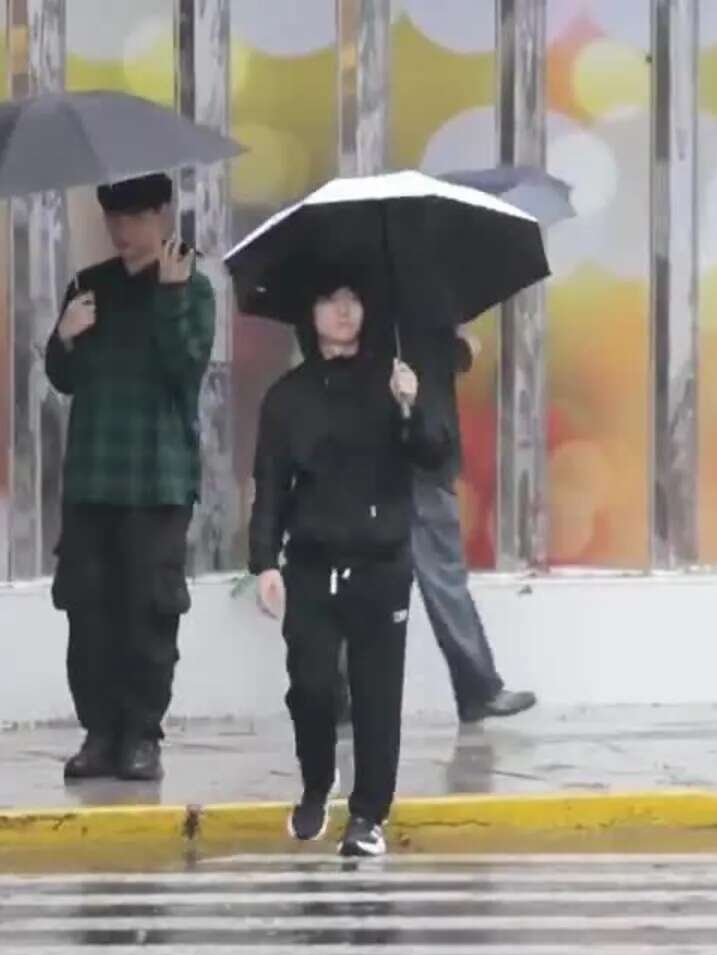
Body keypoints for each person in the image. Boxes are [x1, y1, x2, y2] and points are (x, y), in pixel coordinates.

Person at [248, 271, 454, 858]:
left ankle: (369, 815)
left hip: (381, 560)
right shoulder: (289, 396)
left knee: (376, 693)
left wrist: (411, 409)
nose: (343, 313)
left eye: (353, 300)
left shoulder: (393, 380)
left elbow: (435, 455)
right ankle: (317, 782)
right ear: (309, 314)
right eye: (330, 300)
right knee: (310, 686)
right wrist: (264, 561)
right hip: (312, 563)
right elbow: (270, 482)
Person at [47, 172, 215, 783]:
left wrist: (170, 297)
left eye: (136, 217)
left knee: (150, 612)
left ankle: (142, 735)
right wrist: (63, 338)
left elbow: (186, 369)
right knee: (88, 610)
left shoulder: (191, 283)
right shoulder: (89, 285)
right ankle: (99, 733)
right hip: (93, 476)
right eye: (114, 218)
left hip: (158, 479)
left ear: (162, 214)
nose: (123, 231)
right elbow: (65, 377)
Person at [391, 322, 536, 724]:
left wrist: (455, 346)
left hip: (427, 449)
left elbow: (443, 363)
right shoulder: (377, 293)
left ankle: (477, 687)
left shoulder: (423, 293)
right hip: (393, 452)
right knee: (371, 577)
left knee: (436, 574)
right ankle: (477, 687)